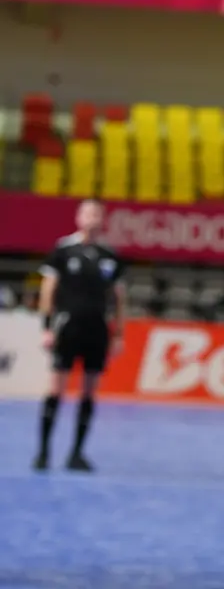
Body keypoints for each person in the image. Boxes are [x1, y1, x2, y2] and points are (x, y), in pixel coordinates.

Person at [35, 198, 126, 472]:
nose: (92, 218)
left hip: (97, 329)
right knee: (56, 388)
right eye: (87, 213)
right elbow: (48, 289)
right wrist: (47, 326)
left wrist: (118, 334)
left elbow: (119, 297)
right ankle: (43, 452)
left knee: (89, 390)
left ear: (103, 219)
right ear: (78, 217)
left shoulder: (110, 255)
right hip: (68, 326)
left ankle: (76, 454)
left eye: (97, 214)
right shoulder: (64, 249)